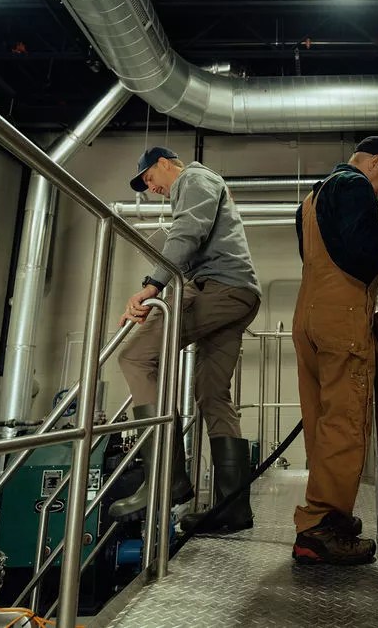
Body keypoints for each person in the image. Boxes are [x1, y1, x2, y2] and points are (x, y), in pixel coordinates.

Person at [291, 136, 378, 565]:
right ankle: (320, 528)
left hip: (308, 316)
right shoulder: (354, 186)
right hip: (341, 317)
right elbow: (363, 247)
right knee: (346, 419)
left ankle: (328, 510)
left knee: (321, 418)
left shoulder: (312, 197)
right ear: (372, 162)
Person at [112, 146, 261, 534]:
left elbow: (188, 230)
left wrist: (151, 286)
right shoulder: (205, 182)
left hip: (220, 289)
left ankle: (167, 478)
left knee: (134, 356)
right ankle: (233, 508)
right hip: (239, 293)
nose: (150, 188)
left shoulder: (193, 178)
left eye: (149, 179)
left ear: (164, 164)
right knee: (212, 393)